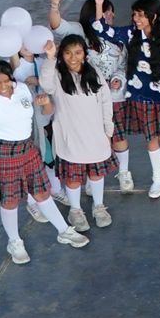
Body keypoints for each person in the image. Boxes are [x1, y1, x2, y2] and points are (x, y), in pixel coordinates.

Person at [0, 60, 91, 263]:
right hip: (2, 152)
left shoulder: (24, 89)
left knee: (42, 193)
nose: (2, 86)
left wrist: (46, 103)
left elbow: (43, 116)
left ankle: (64, 231)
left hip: (27, 149)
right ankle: (14, 242)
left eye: (6, 81)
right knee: (10, 200)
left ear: (11, 78)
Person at [92, 0, 160, 198]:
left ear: (153, 16)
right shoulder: (131, 33)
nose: (136, 19)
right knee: (151, 139)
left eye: (141, 15)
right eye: (135, 14)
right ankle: (157, 177)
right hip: (141, 98)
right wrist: (99, 4)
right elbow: (101, 29)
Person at [49, 0, 135, 193]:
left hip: (114, 97)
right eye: (107, 12)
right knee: (89, 137)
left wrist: (118, 78)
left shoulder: (117, 35)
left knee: (117, 134)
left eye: (111, 12)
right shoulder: (79, 31)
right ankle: (91, 178)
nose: (111, 16)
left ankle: (124, 172)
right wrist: (54, 5)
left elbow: (124, 64)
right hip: (86, 99)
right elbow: (57, 25)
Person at [40, 35, 117, 230]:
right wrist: (50, 57)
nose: (73, 57)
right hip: (71, 136)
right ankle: (75, 210)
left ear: (84, 54)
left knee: (96, 175)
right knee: (73, 178)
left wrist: (108, 130)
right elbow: (46, 84)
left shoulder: (94, 73)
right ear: (61, 55)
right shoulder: (57, 75)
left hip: (95, 134)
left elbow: (106, 102)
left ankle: (98, 206)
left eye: (77, 52)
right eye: (67, 53)